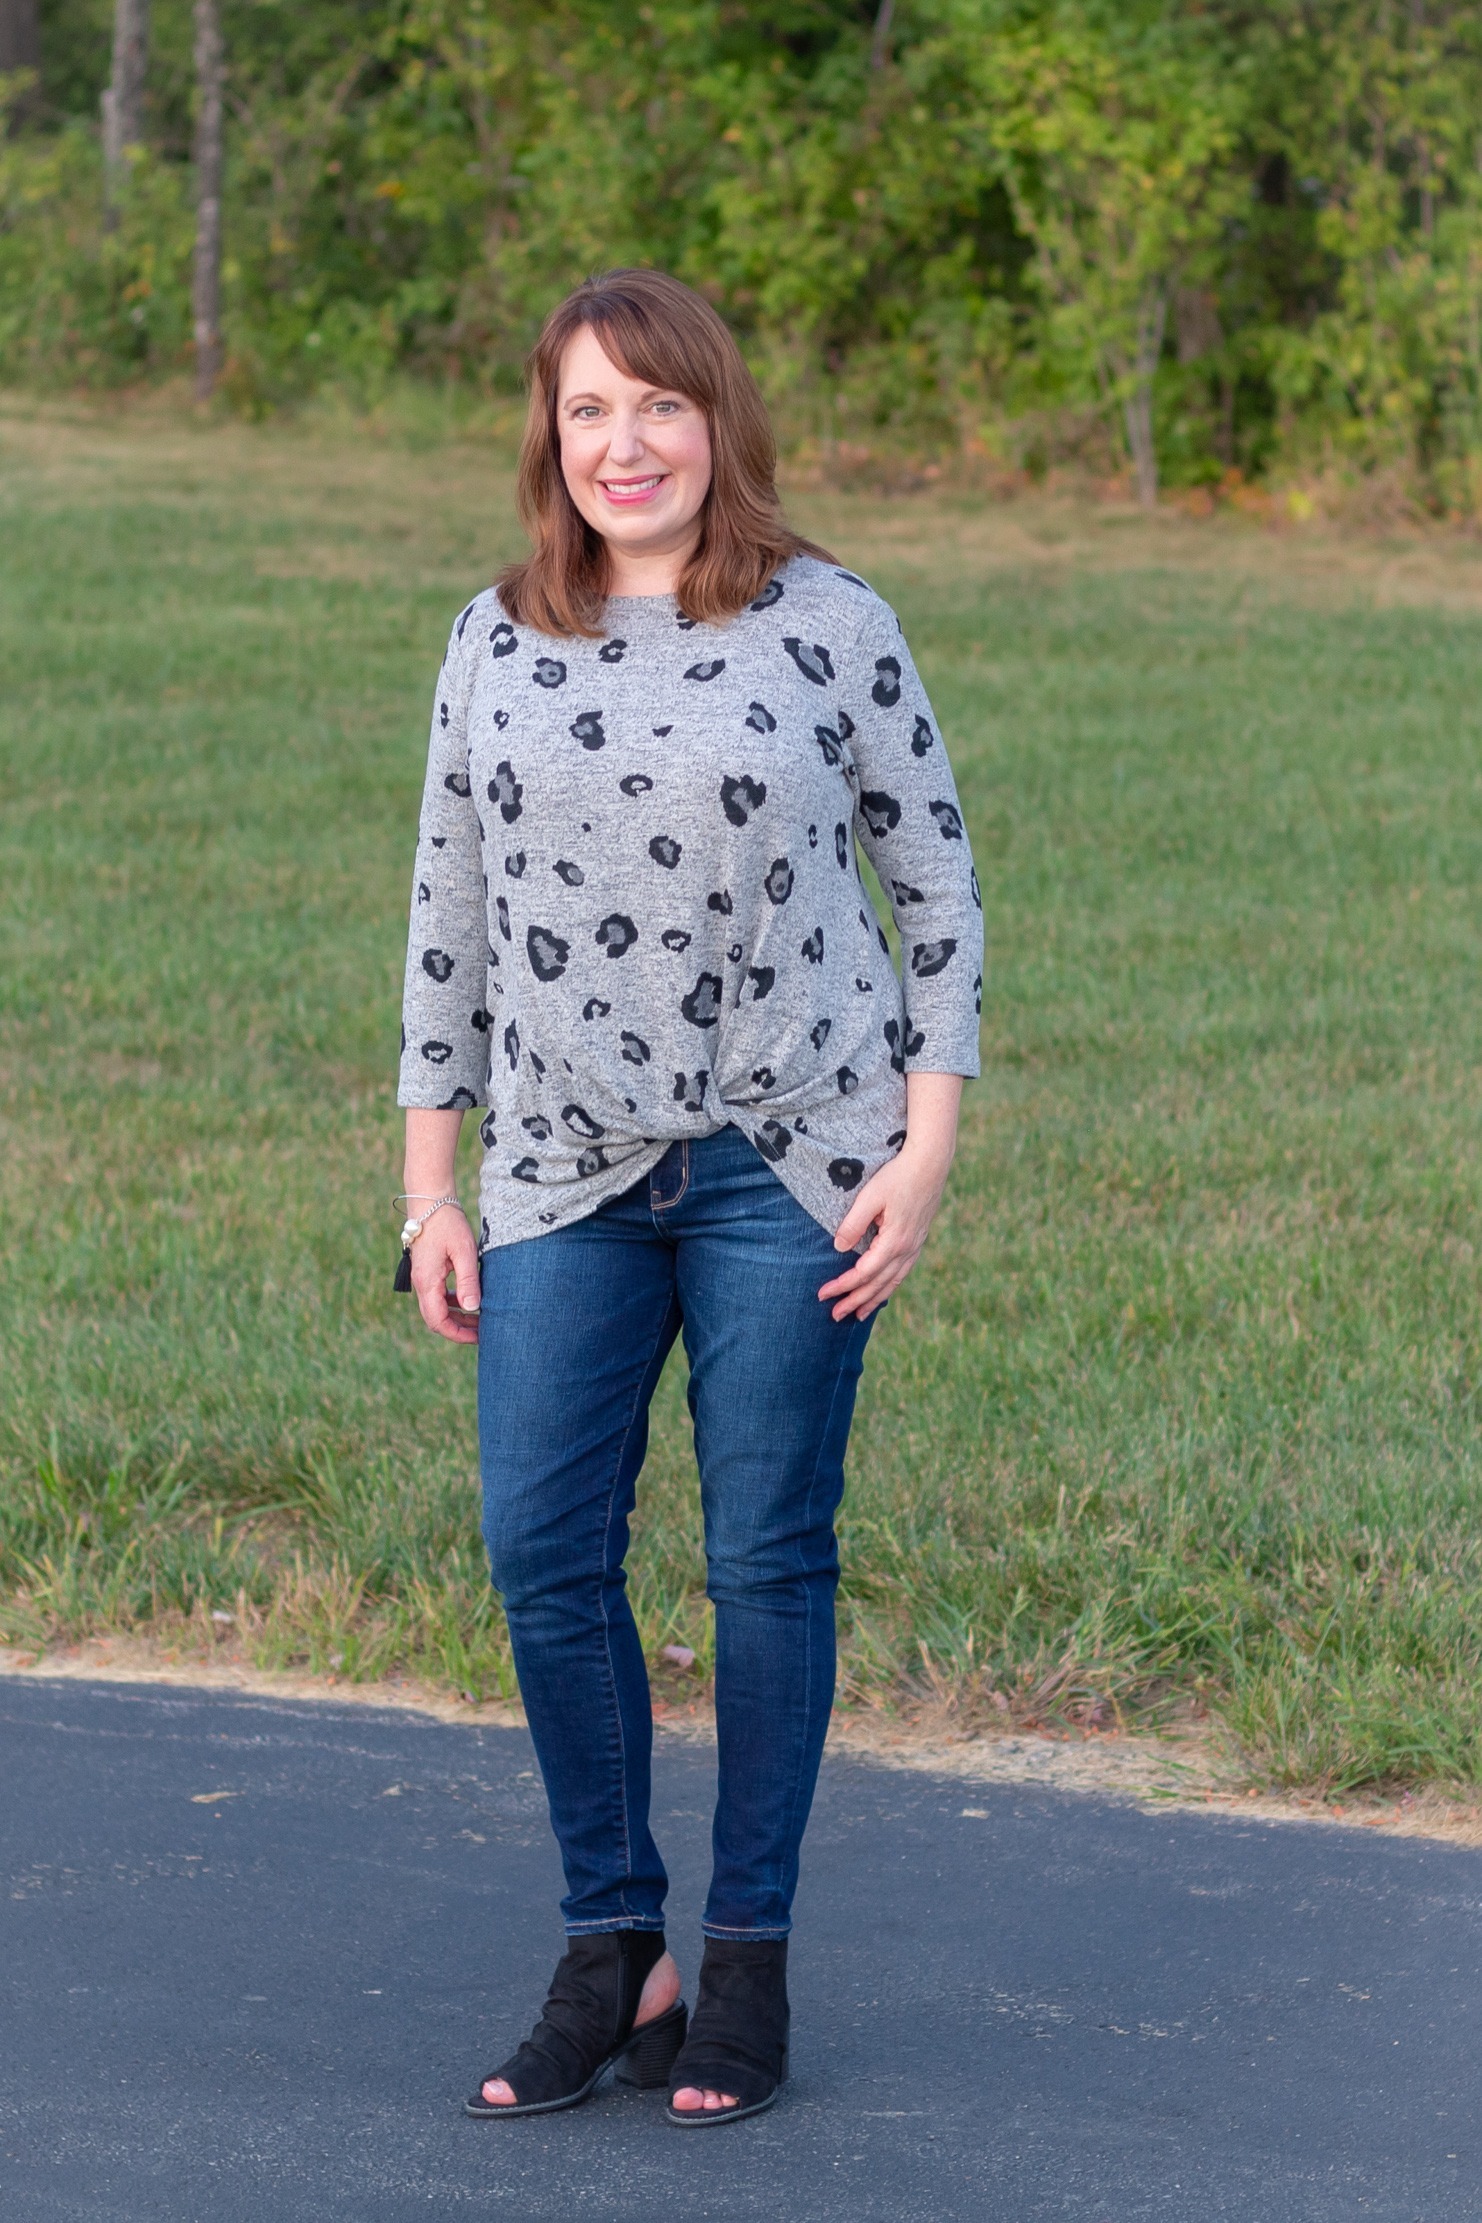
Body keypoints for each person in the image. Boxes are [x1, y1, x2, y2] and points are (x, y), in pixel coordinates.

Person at [396, 267, 982, 2127]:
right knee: (539, 1556)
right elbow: (446, 923)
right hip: (562, 1171)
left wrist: (925, 1149)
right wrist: (431, 1183)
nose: (623, 445)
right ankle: (609, 1945)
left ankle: (743, 1967)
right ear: (546, 441)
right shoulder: (492, 638)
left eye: (657, 406)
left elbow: (940, 892)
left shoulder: (827, 623)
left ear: (716, 422)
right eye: (587, 412)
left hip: (786, 1170)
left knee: (761, 1566)